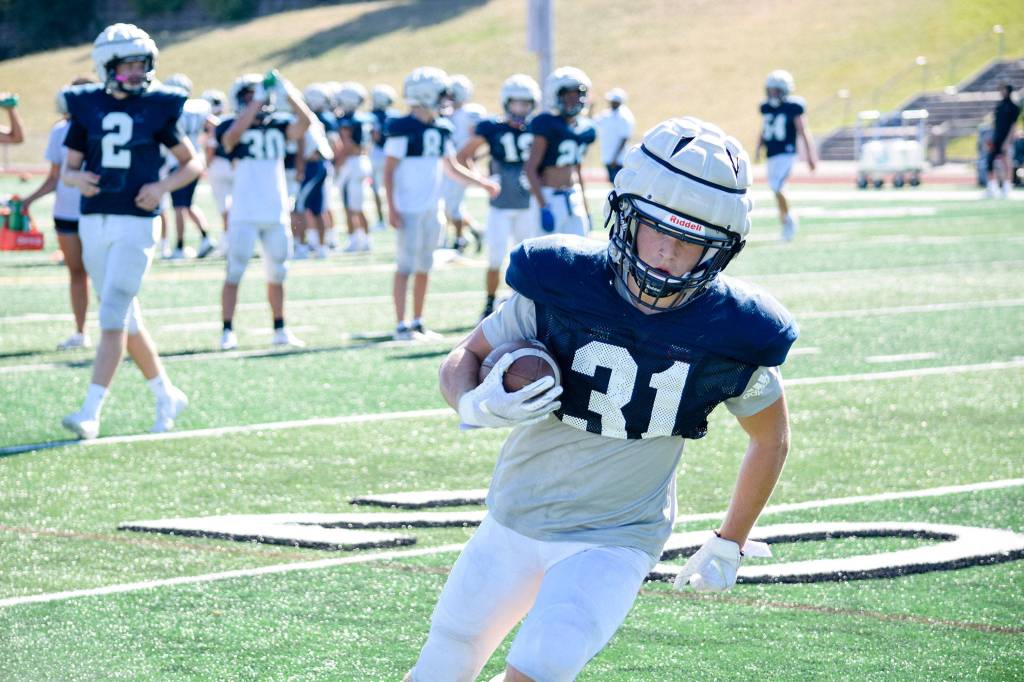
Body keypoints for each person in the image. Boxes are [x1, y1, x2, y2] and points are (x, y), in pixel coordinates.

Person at [406, 116, 797, 681]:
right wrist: (473, 403)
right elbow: (464, 356)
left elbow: (771, 437)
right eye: (657, 229)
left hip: (616, 537)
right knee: (437, 672)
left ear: (721, 251)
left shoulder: (735, 331)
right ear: (625, 214)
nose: (667, 253)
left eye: (692, 242)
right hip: (515, 515)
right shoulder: (562, 283)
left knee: (542, 666)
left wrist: (729, 543)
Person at [60, 23, 201, 440]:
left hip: (137, 223)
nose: (138, 73)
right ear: (107, 67)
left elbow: (192, 163)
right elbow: (68, 168)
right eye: (129, 66)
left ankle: (90, 412)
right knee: (126, 318)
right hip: (94, 219)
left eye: (143, 65)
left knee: (112, 315)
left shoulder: (158, 107)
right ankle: (167, 394)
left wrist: (162, 186)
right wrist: (76, 180)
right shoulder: (87, 107)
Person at [383, 66, 499, 341]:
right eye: (441, 94)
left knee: (425, 265)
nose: (446, 99)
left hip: (432, 209)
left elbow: (452, 166)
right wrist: (391, 206)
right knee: (405, 266)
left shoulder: (440, 127)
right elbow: (388, 170)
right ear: (425, 95)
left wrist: (481, 182)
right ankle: (401, 324)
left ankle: (418, 321)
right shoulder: (402, 128)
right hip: (408, 207)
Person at [216, 71, 313, 351]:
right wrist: (255, 103)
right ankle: (227, 329)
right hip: (244, 212)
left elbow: (306, 123)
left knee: (278, 273)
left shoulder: (278, 124)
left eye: (257, 96)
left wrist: (289, 94)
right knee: (234, 271)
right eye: (248, 98)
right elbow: (232, 137)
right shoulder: (230, 126)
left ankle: (280, 328)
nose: (255, 102)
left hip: (274, 211)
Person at [456, 73, 542, 320]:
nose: (521, 108)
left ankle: (521, 304)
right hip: (500, 203)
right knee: (495, 255)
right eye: (516, 103)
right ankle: (489, 303)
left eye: (525, 103)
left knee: (526, 257)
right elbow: (464, 156)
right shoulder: (492, 128)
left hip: (528, 203)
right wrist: (482, 180)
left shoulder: (538, 127)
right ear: (506, 103)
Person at [21, 78, 95, 350]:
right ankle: (81, 331)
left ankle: (122, 333)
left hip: (98, 210)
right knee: (77, 272)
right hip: (66, 211)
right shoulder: (60, 130)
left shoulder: (101, 124)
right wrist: (29, 200)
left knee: (106, 274)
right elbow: (55, 177)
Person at [525, 66, 597, 237]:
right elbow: (530, 168)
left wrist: (586, 207)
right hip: (549, 196)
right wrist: (543, 205)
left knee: (581, 252)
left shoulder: (585, 128)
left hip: (573, 195)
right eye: (568, 95)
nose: (574, 100)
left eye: (577, 94)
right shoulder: (546, 123)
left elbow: (577, 169)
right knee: (547, 257)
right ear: (556, 96)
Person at [754, 69, 816, 241]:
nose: (772, 93)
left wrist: (811, 156)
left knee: (778, 187)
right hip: (772, 154)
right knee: (775, 189)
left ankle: (789, 221)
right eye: (770, 89)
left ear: (784, 90)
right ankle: (785, 220)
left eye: (776, 90)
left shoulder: (793, 107)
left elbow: (803, 131)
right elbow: (764, 129)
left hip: (786, 153)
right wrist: (758, 148)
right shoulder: (766, 107)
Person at [162, 73, 216, 259]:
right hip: (197, 160)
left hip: (178, 161)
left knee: (178, 206)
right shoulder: (199, 107)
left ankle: (179, 247)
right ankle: (206, 238)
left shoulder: (172, 108)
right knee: (187, 204)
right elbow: (214, 126)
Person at [442, 74, 486, 253]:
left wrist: (467, 157)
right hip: (450, 164)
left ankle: (460, 240)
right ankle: (476, 230)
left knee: (452, 206)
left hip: (460, 165)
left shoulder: (470, 113)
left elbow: (479, 138)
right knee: (449, 205)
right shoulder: (448, 113)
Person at [334, 81, 375, 253]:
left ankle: (356, 240)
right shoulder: (364, 118)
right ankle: (365, 239)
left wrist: (338, 163)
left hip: (352, 162)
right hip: (363, 160)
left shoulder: (348, 121)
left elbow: (347, 144)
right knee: (357, 204)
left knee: (351, 205)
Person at [369, 84, 398, 231]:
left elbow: (375, 136)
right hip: (394, 153)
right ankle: (396, 213)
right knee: (393, 186)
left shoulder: (372, 116)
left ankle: (381, 219)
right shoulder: (395, 115)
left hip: (377, 154)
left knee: (376, 189)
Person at [985, 83, 1021, 199]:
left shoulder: (1014, 107)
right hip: (997, 137)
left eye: (1003, 89)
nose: (1001, 91)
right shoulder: (999, 106)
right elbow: (995, 124)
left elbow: (1013, 125)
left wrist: (1007, 141)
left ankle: (1007, 187)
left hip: (1006, 138)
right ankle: (992, 187)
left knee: (1007, 162)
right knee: (989, 161)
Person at [594, 87, 634, 182]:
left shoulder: (624, 116)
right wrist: (591, 106)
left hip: (618, 159)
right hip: (608, 156)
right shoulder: (608, 113)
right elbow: (592, 121)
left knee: (620, 184)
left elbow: (624, 138)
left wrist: (615, 158)